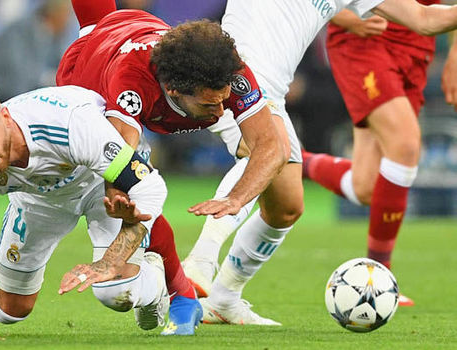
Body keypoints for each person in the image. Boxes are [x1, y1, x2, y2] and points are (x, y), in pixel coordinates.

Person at [180, 0, 457, 325]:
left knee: (287, 207)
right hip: (232, 76)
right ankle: (201, 259)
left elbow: (423, 18)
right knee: (264, 151)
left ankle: (224, 299)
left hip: (273, 94)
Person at [57, 0, 293, 330]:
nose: (224, 110)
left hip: (136, 25)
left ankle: (184, 283)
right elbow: (117, 166)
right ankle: (180, 289)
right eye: (211, 103)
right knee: (112, 290)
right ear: (172, 89)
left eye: (225, 98)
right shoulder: (132, 84)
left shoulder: (228, 69)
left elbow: (273, 147)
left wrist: (237, 199)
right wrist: (123, 204)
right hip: (88, 70)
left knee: (278, 169)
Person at [0, 79, 171, 339]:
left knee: (116, 293)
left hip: (102, 186)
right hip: (39, 199)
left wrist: (110, 261)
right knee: (11, 309)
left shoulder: (68, 124)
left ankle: (153, 279)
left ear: (5, 117)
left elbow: (152, 188)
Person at [302, 3, 457, 307]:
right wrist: (344, 16)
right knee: (406, 144)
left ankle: (292, 161)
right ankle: (378, 279)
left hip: (417, 46)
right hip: (365, 40)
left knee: (366, 187)